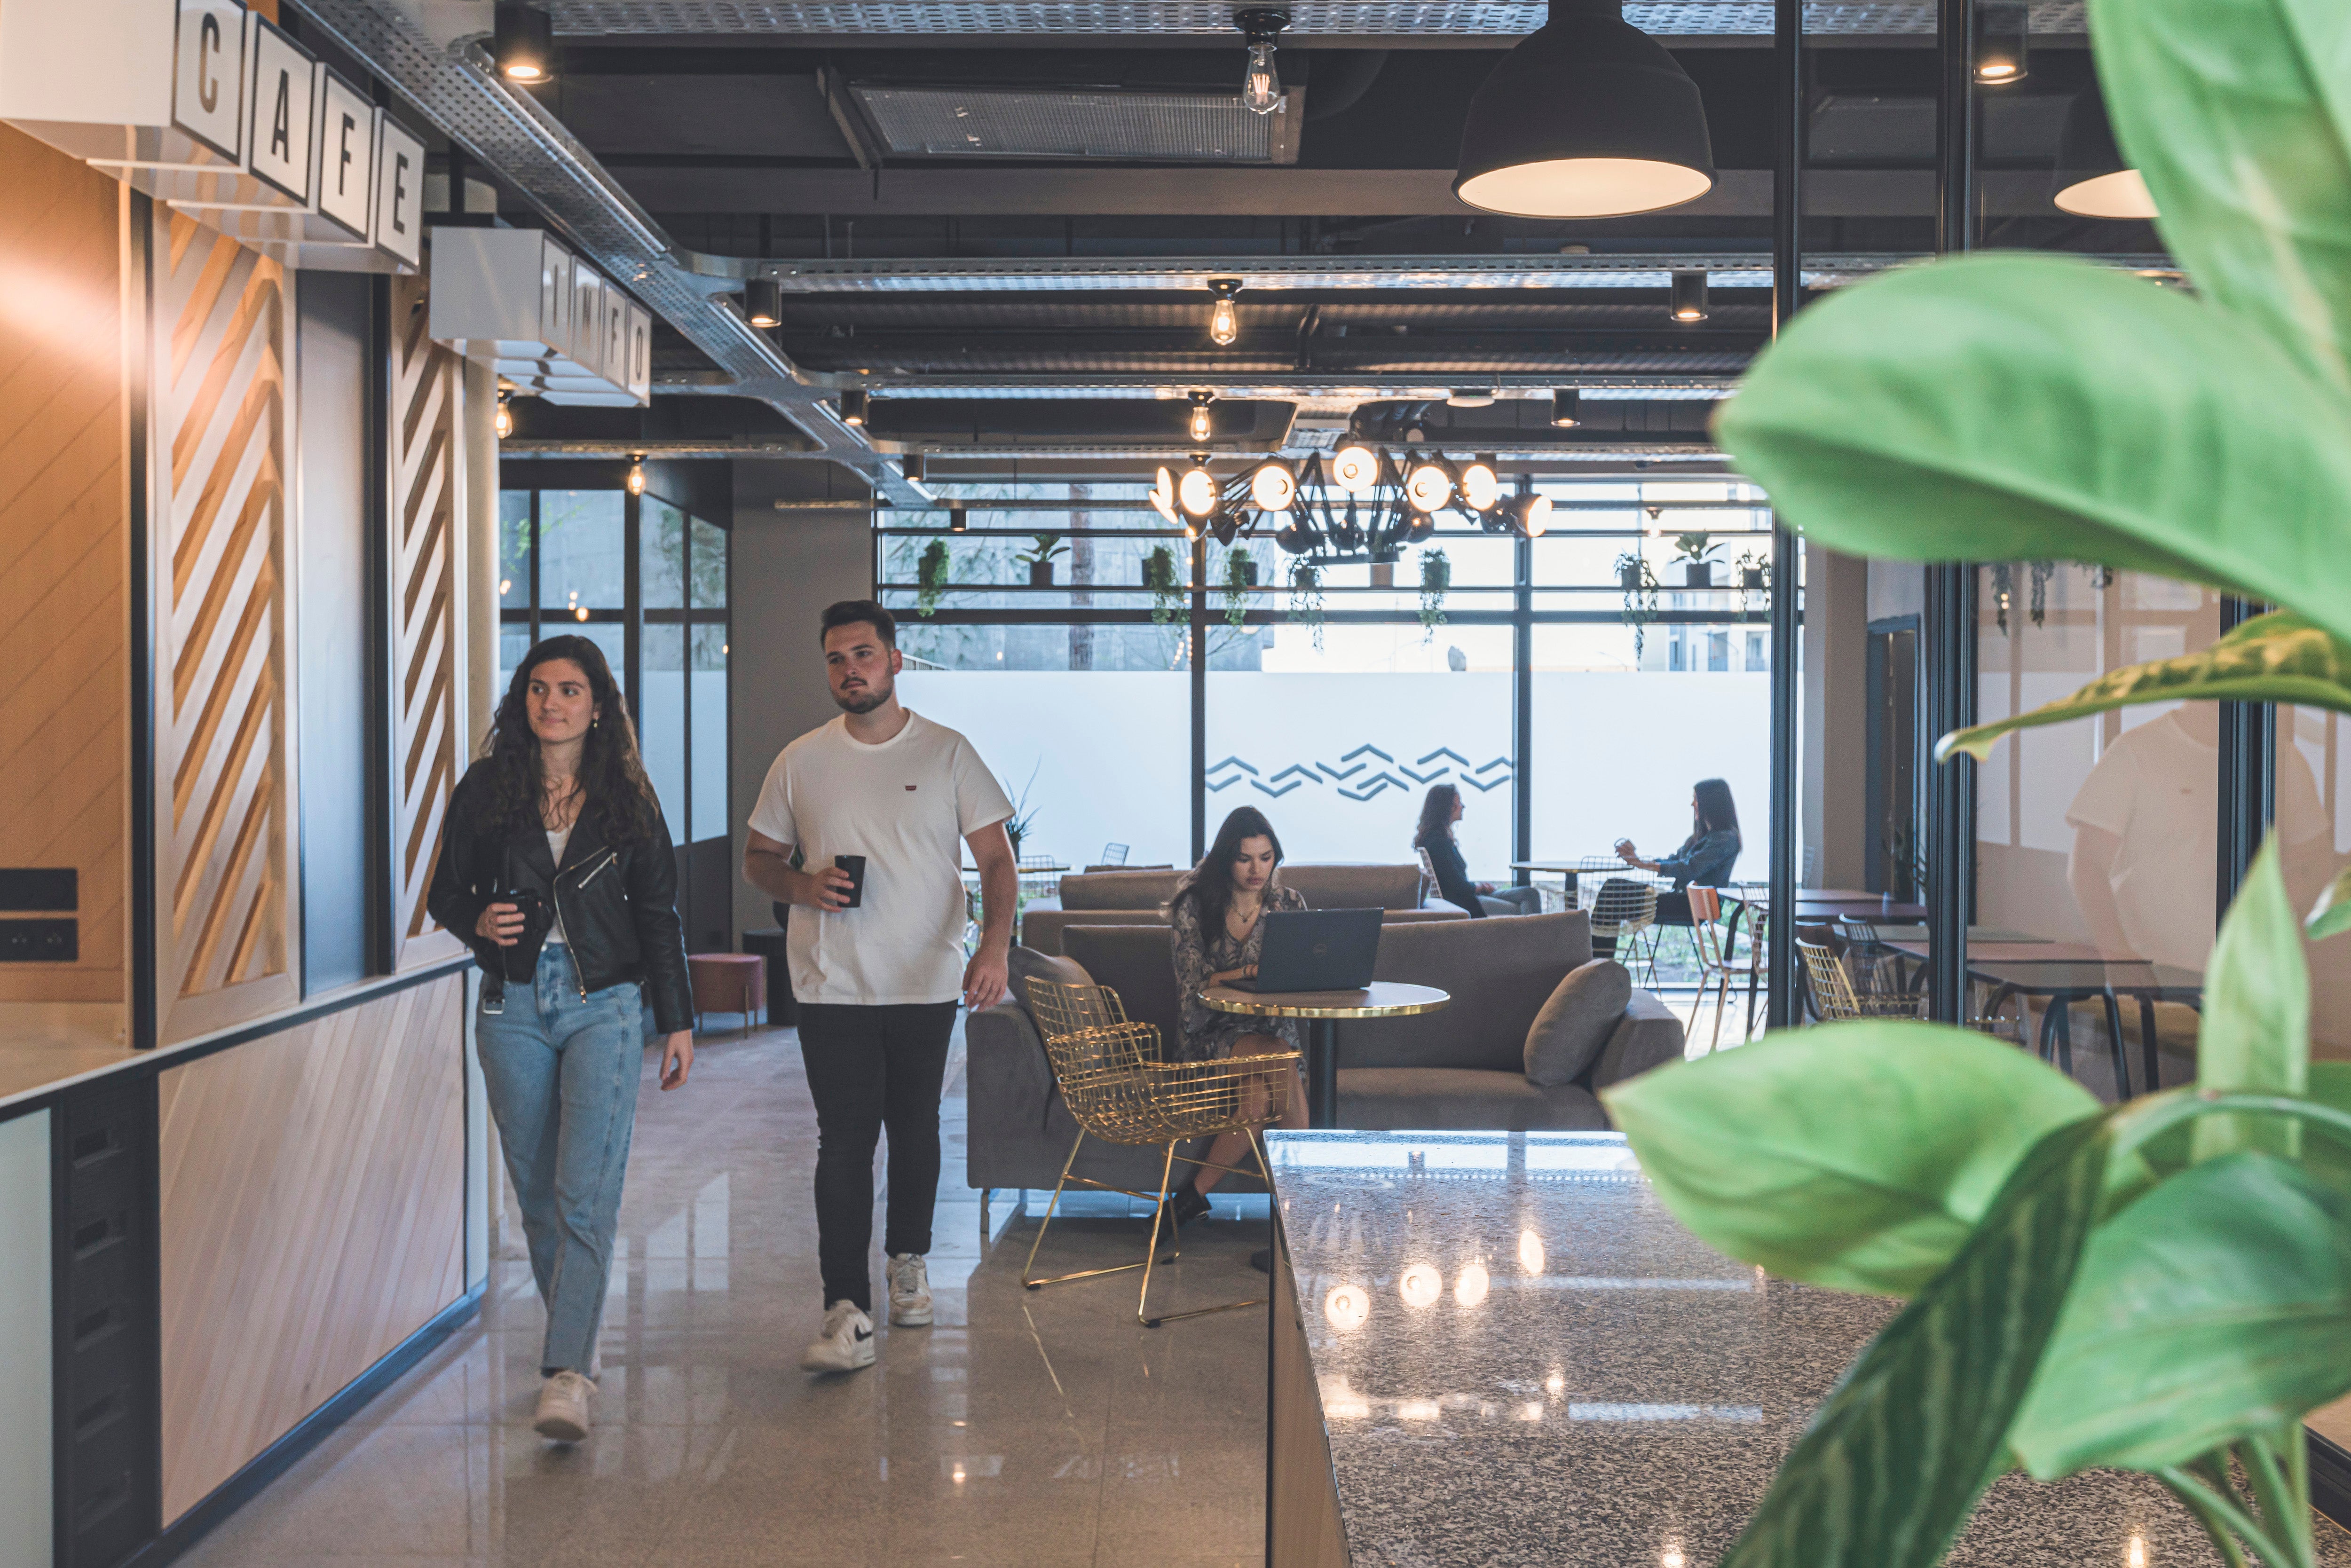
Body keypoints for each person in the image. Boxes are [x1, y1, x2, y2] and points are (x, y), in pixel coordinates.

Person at [427, 635, 695, 1444]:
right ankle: (577, 1336)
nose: (553, 703)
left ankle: (568, 1371)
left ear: (598, 705)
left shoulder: (628, 799)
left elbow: (658, 915)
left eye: (570, 689)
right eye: (539, 688)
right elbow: (445, 893)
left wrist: (678, 1019)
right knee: (538, 1197)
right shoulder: (487, 789)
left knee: (585, 1192)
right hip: (510, 1004)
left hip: (603, 1004)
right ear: (524, 700)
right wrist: (478, 922)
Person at [742, 600, 1017, 1375]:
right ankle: (845, 1308)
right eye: (836, 658)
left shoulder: (947, 751)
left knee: (916, 1126)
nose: (850, 669)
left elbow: (997, 859)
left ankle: (908, 1261)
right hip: (831, 981)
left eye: (864, 653)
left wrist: (994, 945)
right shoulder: (801, 759)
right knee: (844, 1140)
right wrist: (802, 885)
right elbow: (759, 859)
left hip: (925, 977)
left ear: (895, 660)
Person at [1158, 806, 1312, 1233]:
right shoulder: (1195, 906)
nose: (1257, 869)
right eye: (1245, 858)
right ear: (1226, 858)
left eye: (1266, 857)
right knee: (1279, 1058)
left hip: (1272, 1032)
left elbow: (1306, 978)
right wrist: (1247, 972)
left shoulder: (1289, 904)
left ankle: (1188, 1202)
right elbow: (1193, 989)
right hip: (1209, 1037)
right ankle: (1303, 1211)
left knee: (1259, 1097)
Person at [1614, 777, 1743, 925]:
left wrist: (1640, 864)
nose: (1693, 804)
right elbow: (1675, 861)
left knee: (1615, 890)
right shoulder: (1699, 838)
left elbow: (1690, 869)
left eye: (1696, 799)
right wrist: (1639, 861)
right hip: (1683, 900)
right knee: (1615, 890)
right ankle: (1600, 939)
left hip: (1695, 906)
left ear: (1711, 803)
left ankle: (1598, 939)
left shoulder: (1726, 839)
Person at [1412, 783, 1541, 918]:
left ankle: (1530, 929)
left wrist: (1480, 887)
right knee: (1526, 901)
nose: (1463, 806)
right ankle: (1530, 930)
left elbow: (1455, 881)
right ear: (1447, 807)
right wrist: (1481, 887)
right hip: (1466, 903)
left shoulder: (1437, 839)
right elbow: (1457, 887)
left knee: (1530, 894)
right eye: (1459, 802)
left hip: (1469, 897)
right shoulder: (1438, 843)